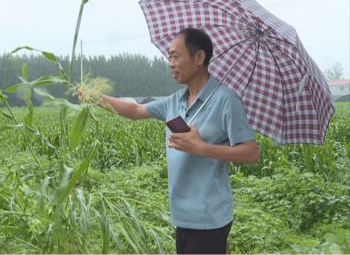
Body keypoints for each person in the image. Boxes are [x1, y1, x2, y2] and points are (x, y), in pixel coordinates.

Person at [79, 28, 260, 254]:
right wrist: (97, 98)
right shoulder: (175, 101)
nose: (170, 63)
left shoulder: (225, 100)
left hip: (209, 217)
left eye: (175, 56)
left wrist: (201, 147)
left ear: (199, 58)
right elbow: (135, 110)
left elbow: (251, 152)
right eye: (169, 57)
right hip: (181, 215)